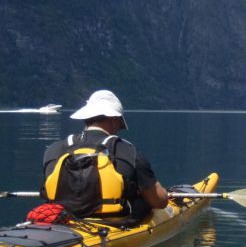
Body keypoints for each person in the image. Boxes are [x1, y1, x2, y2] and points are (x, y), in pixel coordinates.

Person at [41, 90, 169, 221]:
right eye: (120, 123)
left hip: (61, 220)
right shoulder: (128, 150)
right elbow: (159, 201)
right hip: (113, 223)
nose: (119, 129)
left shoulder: (54, 149)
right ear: (114, 120)